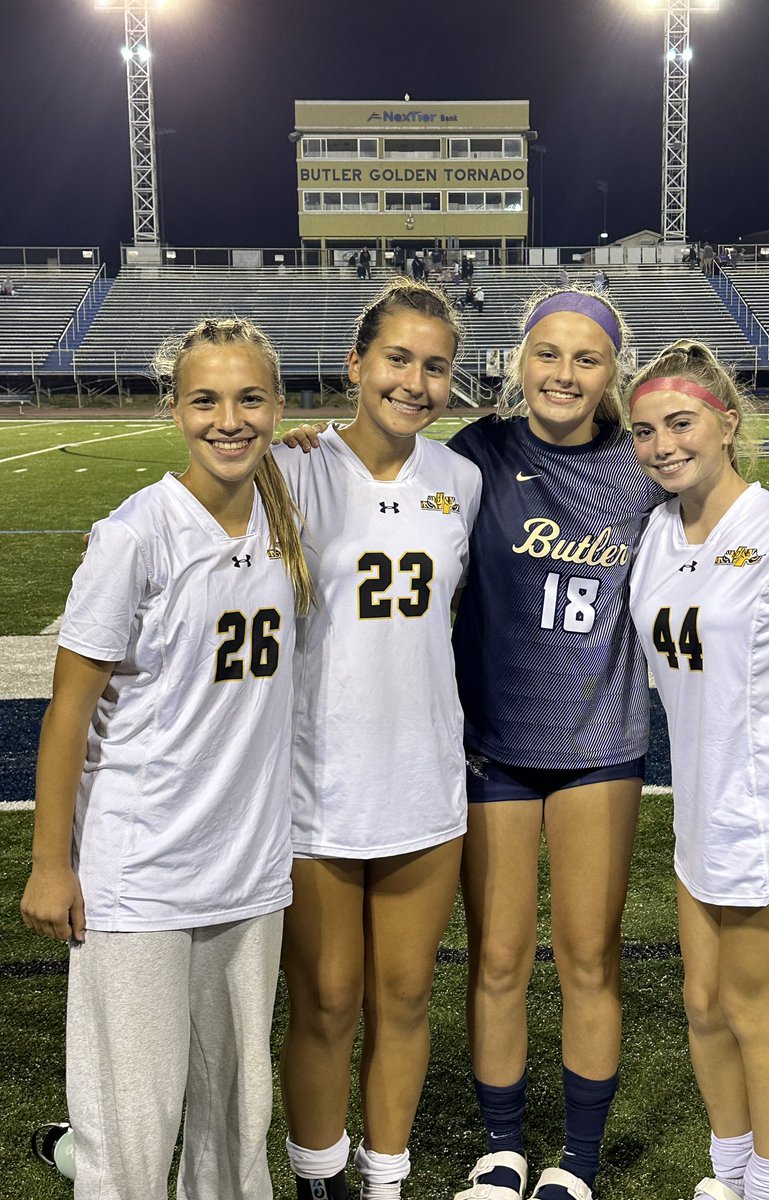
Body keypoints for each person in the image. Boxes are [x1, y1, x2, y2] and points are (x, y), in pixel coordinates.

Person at [281, 288, 769, 1200]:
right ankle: (501, 1149)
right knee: (497, 959)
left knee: (589, 958)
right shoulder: (475, 457)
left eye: (587, 360)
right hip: (492, 743)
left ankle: (575, 1160)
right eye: (548, 354)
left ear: (612, 374)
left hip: (600, 741)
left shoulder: (642, 467)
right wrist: (307, 447)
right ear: (519, 362)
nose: (564, 374)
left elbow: (721, 517)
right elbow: (388, 491)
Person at [19, 317, 314, 1200]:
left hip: (250, 868)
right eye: (206, 400)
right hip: (140, 872)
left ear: (279, 404)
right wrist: (49, 862)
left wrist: (305, 445)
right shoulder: (135, 536)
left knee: (235, 1114)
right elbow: (68, 711)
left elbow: (373, 438)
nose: (230, 419)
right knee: (131, 1124)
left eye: (250, 398)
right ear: (175, 409)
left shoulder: (284, 500)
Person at [626, 341, 769, 1200]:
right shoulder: (653, 531)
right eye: (645, 431)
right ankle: (728, 1172)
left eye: (680, 423)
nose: (661, 445)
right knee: (700, 1001)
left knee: (755, 1011)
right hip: (702, 808)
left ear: (726, 424)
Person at [274, 280, 483, 1200]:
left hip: (423, 777)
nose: (416, 381)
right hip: (313, 782)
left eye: (435, 367)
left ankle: (385, 1177)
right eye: (398, 359)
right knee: (325, 1002)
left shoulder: (461, 481)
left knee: (403, 998)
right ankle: (319, 1176)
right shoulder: (292, 469)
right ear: (357, 365)